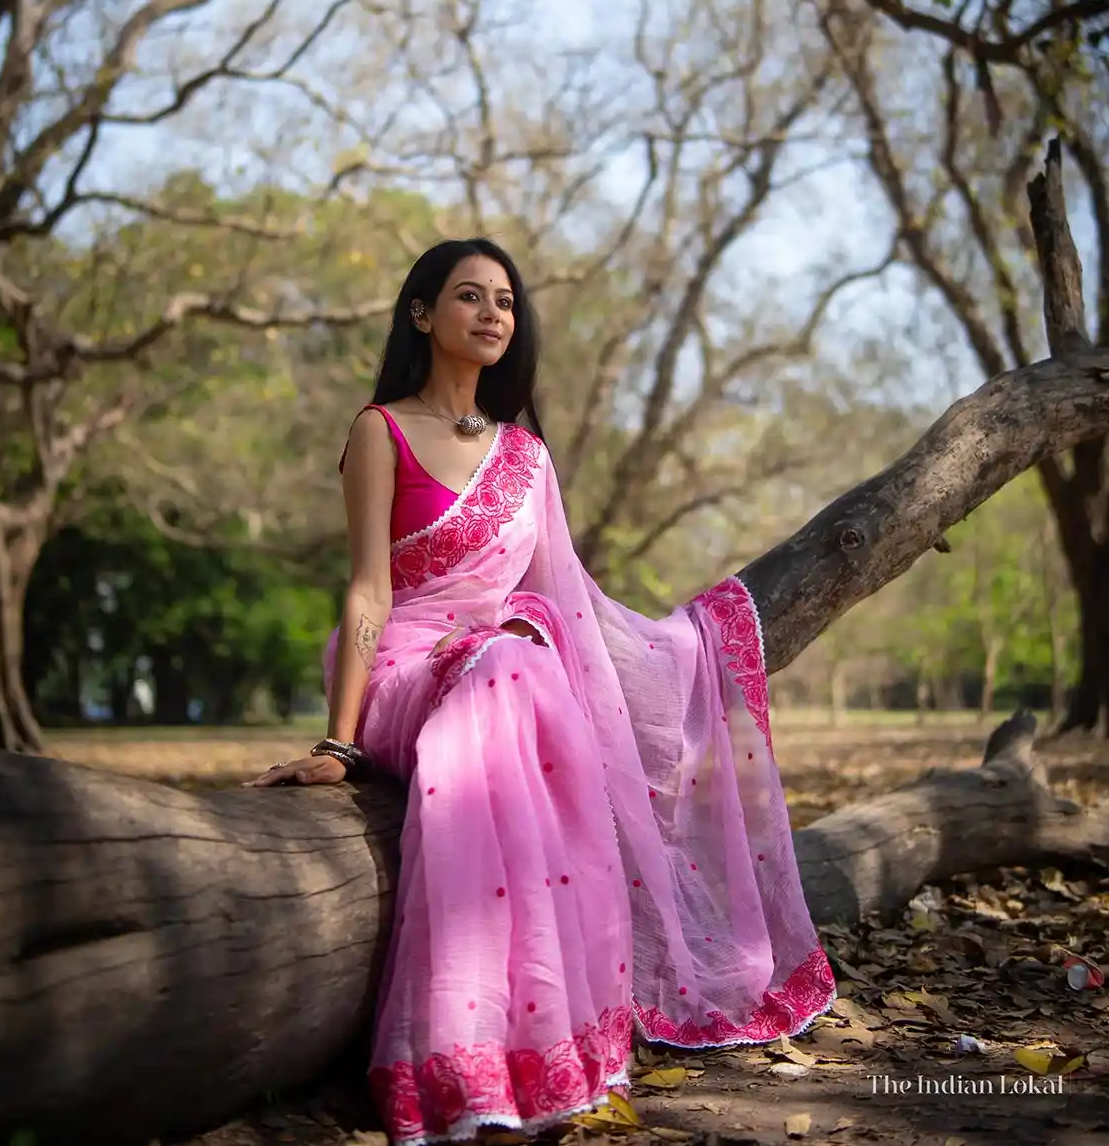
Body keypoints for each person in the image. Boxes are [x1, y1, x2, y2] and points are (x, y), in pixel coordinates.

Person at [250, 237, 836, 1145]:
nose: (492, 314)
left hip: (501, 672)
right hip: (408, 665)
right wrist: (339, 741)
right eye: (470, 296)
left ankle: (545, 1049)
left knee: (527, 658)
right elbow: (369, 589)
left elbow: (575, 601)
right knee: (511, 663)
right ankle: (459, 1056)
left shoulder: (527, 458)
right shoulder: (382, 429)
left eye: (506, 302)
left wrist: (684, 645)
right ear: (421, 314)